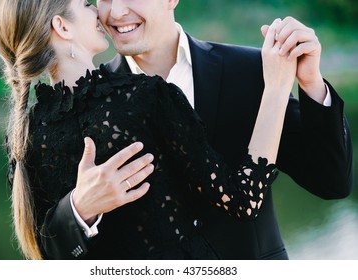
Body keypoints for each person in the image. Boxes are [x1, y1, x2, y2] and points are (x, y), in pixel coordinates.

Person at [0, 0, 299, 260]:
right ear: (62, 27)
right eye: (85, 4)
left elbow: (44, 254)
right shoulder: (148, 97)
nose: (98, 10)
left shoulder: (24, 135)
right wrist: (277, 86)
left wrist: (80, 212)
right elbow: (243, 201)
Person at [96, 0, 354, 259]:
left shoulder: (250, 70)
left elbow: (332, 182)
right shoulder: (90, 99)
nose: (116, 12)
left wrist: (311, 83)